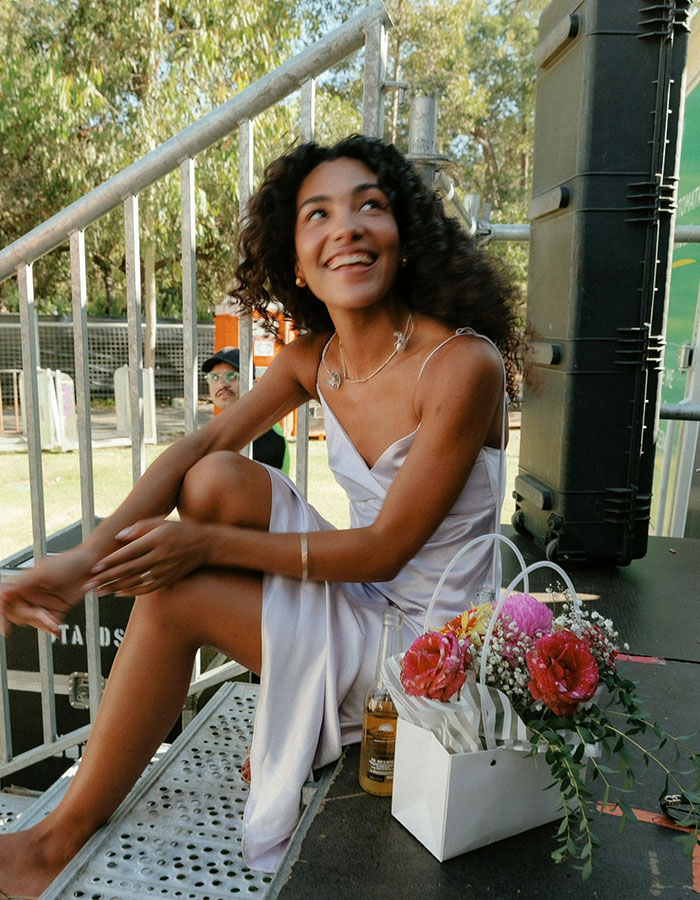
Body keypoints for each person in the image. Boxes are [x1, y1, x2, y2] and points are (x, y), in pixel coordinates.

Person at [0, 134, 520, 897]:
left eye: (369, 206)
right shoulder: (316, 358)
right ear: (296, 259)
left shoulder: (462, 365)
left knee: (180, 591)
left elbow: (382, 548)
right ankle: (298, 702)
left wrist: (199, 549)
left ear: (405, 236)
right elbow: (200, 446)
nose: (344, 226)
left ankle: (54, 843)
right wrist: (78, 567)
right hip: (366, 604)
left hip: (428, 647)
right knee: (215, 478)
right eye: (318, 215)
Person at [203, 346, 290, 473]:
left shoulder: (265, 435)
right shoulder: (226, 426)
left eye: (232, 376)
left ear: (254, 385)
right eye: (215, 377)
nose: (222, 384)